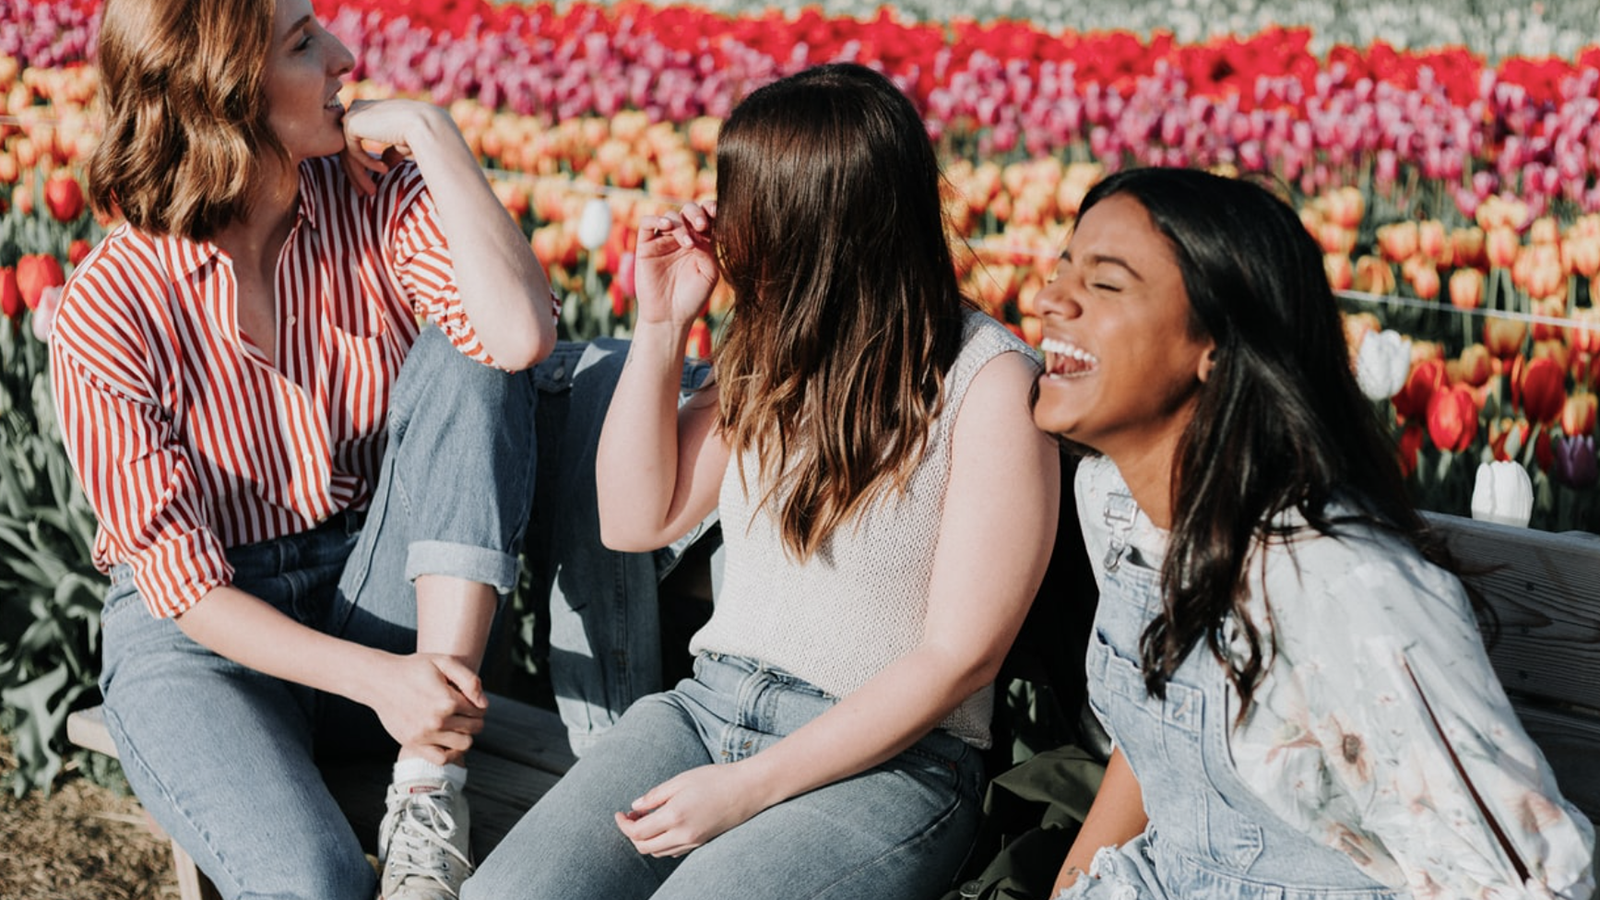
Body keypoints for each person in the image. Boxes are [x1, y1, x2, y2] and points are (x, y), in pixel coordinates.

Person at [464, 62, 1061, 899]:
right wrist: (664, 323)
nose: (724, 218)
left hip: (890, 764)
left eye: (741, 195)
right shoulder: (775, 352)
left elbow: (961, 657)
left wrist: (748, 789)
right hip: (706, 712)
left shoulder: (988, 382)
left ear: (813, 220)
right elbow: (635, 520)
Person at [48, 0, 557, 897]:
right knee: (313, 882)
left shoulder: (378, 201)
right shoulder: (109, 307)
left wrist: (435, 134)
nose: (346, 57)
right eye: (303, 44)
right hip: (205, 648)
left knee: (467, 346)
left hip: (376, 595)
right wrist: (381, 681)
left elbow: (515, 338)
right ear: (222, 95)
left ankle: (428, 789)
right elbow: (186, 589)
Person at [1028, 167, 1595, 899]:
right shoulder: (1112, 500)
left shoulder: (1338, 586)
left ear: (1219, 346)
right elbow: (1153, 752)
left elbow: (1524, 881)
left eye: (1106, 284)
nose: (1050, 298)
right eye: (1062, 267)